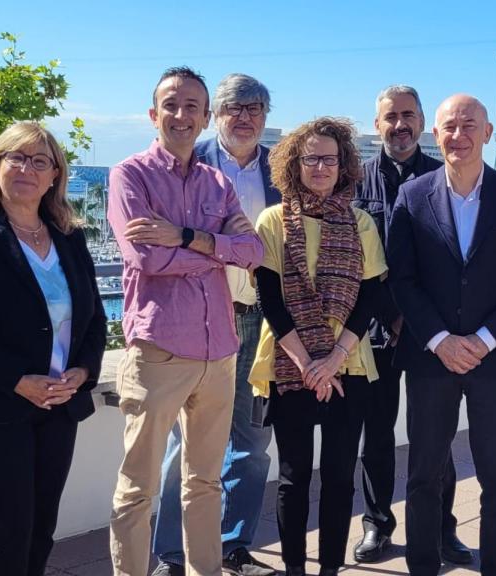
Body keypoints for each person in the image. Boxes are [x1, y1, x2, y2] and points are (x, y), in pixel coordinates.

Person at [107, 67, 264, 576]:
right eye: (172, 105)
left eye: (192, 106)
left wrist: (184, 236)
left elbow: (254, 250)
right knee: (138, 489)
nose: (181, 114)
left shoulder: (216, 182)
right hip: (159, 352)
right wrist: (218, 250)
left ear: (204, 117)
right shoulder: (129, 175)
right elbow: (146, 260)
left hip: (219, 350)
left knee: (205, 482)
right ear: (155, 115)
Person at [0, 122, 107, 576]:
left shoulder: (70, 237)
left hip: (60, 403)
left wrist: (83, 372)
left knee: (41, 526)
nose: (27, 169)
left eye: (40, 161)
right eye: (16, 157)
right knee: (7, 528)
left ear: (55, 175)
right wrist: (19, 380)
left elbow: (95, 320)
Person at [387, 94, 496, 576]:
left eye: (469, 125)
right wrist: (440, 340)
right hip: (430, 360)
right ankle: (422, 567)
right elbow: (402, 278)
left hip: (494, 362)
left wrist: (485, 339)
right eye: (450, 127)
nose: (459, 135)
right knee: (423, 477)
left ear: (489, 131)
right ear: (436, 135)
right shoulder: (412, 197)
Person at [151, 73, 281, 576]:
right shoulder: (188, 160)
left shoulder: (281, 169)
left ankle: (231, 546)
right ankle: (169, 555)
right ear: (214, 116)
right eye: (233, 108)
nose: (244, 117)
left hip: (257, 321)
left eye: (255, 108)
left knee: (250, 444)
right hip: (195, 322)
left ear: (266, 116)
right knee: (181, 444)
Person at [246, 117, 384, 576]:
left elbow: (370, 297)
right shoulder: (272, 220)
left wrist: (334, 359)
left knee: (341, 478)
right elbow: (269, 298)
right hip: (291, 369)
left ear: (344, 164)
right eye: (312, 158)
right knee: (292, 478)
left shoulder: (360, 222)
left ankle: (329, 569)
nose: (321, 167)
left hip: (349, 368)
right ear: (294, 164)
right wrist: (309, 364)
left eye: (330, 158)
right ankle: (294, 570)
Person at [350, 84, 471, 565]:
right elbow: (352, 260)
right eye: (390, 117)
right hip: (374, 332)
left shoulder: (446, 179)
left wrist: (417, 320)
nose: (399, 125)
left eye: (408, 116)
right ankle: (378, 526)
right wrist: (391, 314)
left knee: (434, 436)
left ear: (423, 123)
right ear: (376, 124)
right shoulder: (355, 182)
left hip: (430, 334)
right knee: (376, 434)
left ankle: (442, 527)